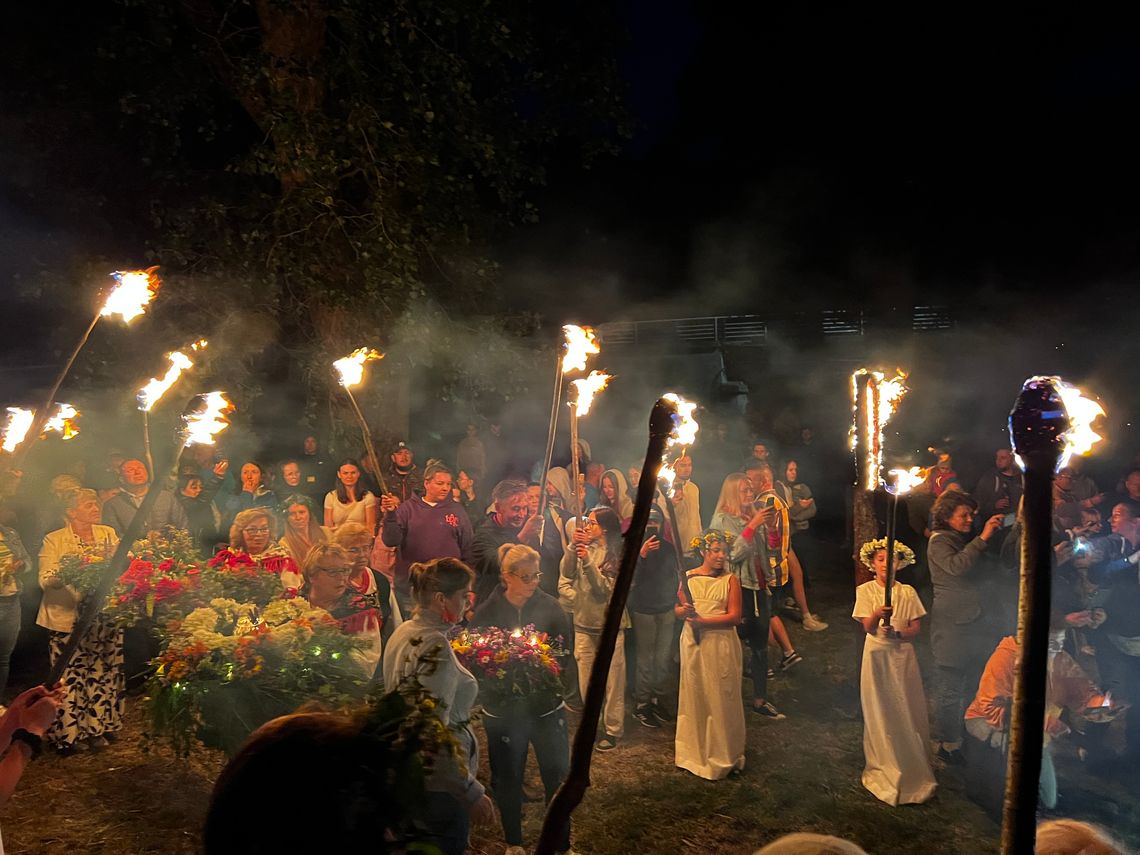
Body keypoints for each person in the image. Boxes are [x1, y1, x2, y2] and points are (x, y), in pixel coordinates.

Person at [382, 558, 496, 855]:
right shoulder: (436, 647)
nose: (467, 605)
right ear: (440, 598)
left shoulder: (404, 631)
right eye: (463, 596)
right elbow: (431, 730)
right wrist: (470, 792)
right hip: (439, 789)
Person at [471, 543, 572, 855]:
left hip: (544, 707)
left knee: (555, 775)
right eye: (526, 577)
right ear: (506, 577)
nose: (534, 582)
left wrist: (542, 667)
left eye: (536, 576)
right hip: (505, 711)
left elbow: (563, 653)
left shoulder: (551, 607)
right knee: (508, 777)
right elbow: (476, 655)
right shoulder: (488, 612)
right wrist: (502, 671)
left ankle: (561, 843)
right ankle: (514, 842)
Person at [964, 628, 1117, 819]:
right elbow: (991, 707)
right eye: (1053, 641)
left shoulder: (1060, 659)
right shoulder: (1006, 657)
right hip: (993, 725)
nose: (1058, 647)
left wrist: (1100, 704)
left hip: (1034, 732)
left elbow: (1083, 694)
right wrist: (1044, 722)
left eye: (1061, 641)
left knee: (1049, 800)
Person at [36, 488, 123, 753]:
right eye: (88, 505)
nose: (96, 508)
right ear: (71, 512)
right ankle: (70, 734)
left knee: (102, 671)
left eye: (96, 504)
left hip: (104, 616)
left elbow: (121, 567)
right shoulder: (55, 539)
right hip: (68, 618)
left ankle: (99, 727)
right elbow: (45, 578)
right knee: (70, 677)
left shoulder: (108, 533)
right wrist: (65, 575)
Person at [852, 538, 936, 806]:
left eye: (892, 560)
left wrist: (898, 633)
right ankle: (884, 759)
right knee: (881, 705)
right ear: (872, 564)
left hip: (901, 655)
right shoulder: (865, 590)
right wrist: (877, 615)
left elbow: (915, 629)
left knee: (905, 704)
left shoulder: (907, 592)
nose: (886, 565)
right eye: (880, 560)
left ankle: (911, 761)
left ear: (900, 564)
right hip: (877, 654)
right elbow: (866, 626)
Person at [926, 490, 1005, 763]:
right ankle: (948, 743)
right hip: (953, 628)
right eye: (964, 515)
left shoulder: (958, 539)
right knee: (950, 687)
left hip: (975, 624)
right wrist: (982, 538)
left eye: (972, 514)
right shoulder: (939, 541)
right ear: (947, 516)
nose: (970, 519)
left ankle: (969, 734)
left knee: (974, 683)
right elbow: (957, 567)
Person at [710, 473, 785, 719]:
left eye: (750, 490)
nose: (750, 494)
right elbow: (730, 555)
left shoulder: (753, 514)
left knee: (761, 646)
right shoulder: (722, 520)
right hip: (737, 587)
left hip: (759, 587)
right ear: (732, 492)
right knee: (731, 647)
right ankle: (724, 699)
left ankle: (760, 699)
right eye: (744, 490)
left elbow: (771, 549)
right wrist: (753, 526)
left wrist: (771, 527)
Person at [674, 529, 746, 780]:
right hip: (694, 642)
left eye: (724, 552)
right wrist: (683, 611)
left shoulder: (730, 580)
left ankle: (723, 753)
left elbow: (735, 616)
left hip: (719, 641)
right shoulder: (689, 577)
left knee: (719, 695)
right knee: (695, 692)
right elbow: (678, 607)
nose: (720, 556)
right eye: (715, 551)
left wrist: (704, 622)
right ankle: (692, 753)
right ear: (704, 552)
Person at [560, 506, 629, 750]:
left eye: (592, 523)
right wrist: (572, 548)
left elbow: (603, 590)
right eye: (587, 522)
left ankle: (612, 729)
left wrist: (588, 562)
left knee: (612, 681)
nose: (587, 527)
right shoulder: (582, 548)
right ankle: (592, 724)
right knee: (586, 681)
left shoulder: (617, 553)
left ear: (605, 528)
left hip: (609, 626)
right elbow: (566, 573)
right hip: (583, 624)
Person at [381, 461, 475, 616]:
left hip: (449, 587)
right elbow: (391, 540)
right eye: (439, 483)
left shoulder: (457, 510)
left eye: (448, 484)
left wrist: (469, 585)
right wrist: (390, 515)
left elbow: (468, 548)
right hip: (414, 587)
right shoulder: (408, 509)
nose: (445, 488)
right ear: (427, 483)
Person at [746, 461, 827, 632]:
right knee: (770, 609)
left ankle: (777, 643)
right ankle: (801, 622)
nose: (748, 484)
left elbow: (766, 538)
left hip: (772, 561)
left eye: (751, 479)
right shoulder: (771, 498)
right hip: (780, 552)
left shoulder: (766, 501)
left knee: (767, 611)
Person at [301, 543, 382, 680]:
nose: (342, 578)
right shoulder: (292, 601)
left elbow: (366, 664)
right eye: (333, 572)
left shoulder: (360, 610)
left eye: (345, 570)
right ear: (311, 575)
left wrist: (330, 644)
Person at [630, 507, 679, 728]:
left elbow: (673, 576)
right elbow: (631, 579)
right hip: (644, 610)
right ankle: (642, 704)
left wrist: (673, 600)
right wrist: (642, 555)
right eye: (648, 520)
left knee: (662, 658)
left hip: (665, 608)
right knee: (645, 659)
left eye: (656, 520)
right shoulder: (634, 547)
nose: (652, 524)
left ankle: (657, 699)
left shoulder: (669, 548)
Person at [471, 479, 543, 604]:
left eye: (524, 508)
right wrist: (523, 537)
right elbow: (496, 566)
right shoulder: (483, 534)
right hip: (494, 605)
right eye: (516, 508)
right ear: (498, 507)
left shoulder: (525, 528)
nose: (521, 514)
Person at [334, 522, 399, 651]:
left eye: (366, 548)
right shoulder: (334, 583)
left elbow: (394, 622)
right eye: (354, 550)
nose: (362, 554)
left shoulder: (379, 580)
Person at [101, 457, 189, 536]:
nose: (137, 472)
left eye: (141, 468)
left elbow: (183, 527)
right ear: (121, 479)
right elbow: (113, 536)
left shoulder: (166, 497)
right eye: (130, 470)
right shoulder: (113, 505)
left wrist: (164, 536)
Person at [0, 524, 31, 701]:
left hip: (11, 599)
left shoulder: (9, 532)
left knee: (3, 657)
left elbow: (27, 561)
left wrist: (21, 566)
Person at [278, 494, 330, 583]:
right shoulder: (284, 543)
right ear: (287, 518)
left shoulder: (326, 532)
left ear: (309, 513)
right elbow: (292, 576)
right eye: (292, 514)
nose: (298, 517)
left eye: (302, 512)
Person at [176, 466, 226, 554]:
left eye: (201, 487)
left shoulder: (205, 503)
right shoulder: (182, 504)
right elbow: (203, 500)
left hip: (206, 545)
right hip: (190, 548)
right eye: (194, 487)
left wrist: (215, 541)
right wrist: (217, 478)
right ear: (182, 490)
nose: (199, 490)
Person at [324, 458, 378, 533]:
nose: (349, 476)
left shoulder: (367, 496)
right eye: (345, 473)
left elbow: (370, 526)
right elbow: (328, 528)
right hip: (337, 541)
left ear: (358, 474)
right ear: (339, 474)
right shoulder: (330, 496)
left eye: (353, 473)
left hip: (361, 540)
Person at [668, 453, 702, 556]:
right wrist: (671, 504)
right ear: (673, 466)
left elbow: (696, 517)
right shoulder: (665, 489)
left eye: (689, 465)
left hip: (696, 549)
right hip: (675, 550)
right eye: (683, 465)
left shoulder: (694, 488)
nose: (687, 469)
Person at [223, 461, 277, 525]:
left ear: (261, 477)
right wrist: (246, 493)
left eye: (254, 472)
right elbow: (233, 521)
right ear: (241, 477)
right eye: (245, 473)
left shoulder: (269, 496)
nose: (249, 477)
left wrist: (247, 494)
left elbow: (252, 520)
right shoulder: (233, 497)